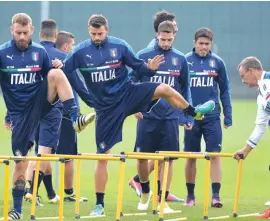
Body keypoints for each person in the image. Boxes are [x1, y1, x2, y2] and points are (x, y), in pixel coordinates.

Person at [64, 14, 215, 216]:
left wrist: (149, 68)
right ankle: (99, 205)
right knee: (103, 156)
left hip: (127, 94)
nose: (97, 37)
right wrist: (85, 95)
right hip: (105, 109)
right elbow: (66, 71)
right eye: (93, 34)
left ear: (107, 30)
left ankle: (193, 112)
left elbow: (138, 68)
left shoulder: (120, 46)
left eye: (100, 33)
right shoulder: (80, 51)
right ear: (88, 31)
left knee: (164, 89)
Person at [0, 13, 93, 220]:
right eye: (18, 33)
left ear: (32, 31)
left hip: (39, 104)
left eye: (25, 32)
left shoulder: (39, 52)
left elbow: (48, 77)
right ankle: (17, 209)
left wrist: (57, 67)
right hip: (20, 115)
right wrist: (8, 115)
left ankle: (75, 117)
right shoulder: (3, 53)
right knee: (20, 161)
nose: (22, 37)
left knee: (56, 74)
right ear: (11, 31)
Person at [131, 21, 193, 212]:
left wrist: (187, 115)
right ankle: (145, 191)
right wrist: (134, 107)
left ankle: (163, 200)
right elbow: (131, 82)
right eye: (162, 39)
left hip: (170, 118)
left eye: (169, 39)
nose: (166, 42)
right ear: (157, 35)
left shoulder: (180, 59)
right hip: (147, 116)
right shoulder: (143, 55)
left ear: (174, 36)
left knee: (168, 159)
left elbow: (185, 89)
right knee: (141, 158)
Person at [184, 27, 232, 207]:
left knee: (214, 155)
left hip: (212, 118)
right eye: (201, 43)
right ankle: (190, 196)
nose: (204, 47)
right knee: (191, 156)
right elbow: (179, 91)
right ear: (194, 43)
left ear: (211, 44)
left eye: (207, 44)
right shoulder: (185, 61)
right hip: (191, 117)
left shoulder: (217, 63)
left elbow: (225, 90)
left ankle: (216, 196)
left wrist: (228, 115)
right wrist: (184, 116)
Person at [23, 19, 66, 207]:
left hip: (29, 110)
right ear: (56, 36)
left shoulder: (32, 54)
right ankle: (30, 193)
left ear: (39, 34)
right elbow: (72, 84)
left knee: (36, 152)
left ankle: (48, 193)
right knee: (44, 153)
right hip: (52, 111)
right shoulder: (61, 57)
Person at [233, 57, 270, 218]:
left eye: (242, 76)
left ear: (252, 71)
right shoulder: (261, 94)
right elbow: (260, 125)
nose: (242, 81)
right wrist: (246, 150)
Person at [55, 31, 88, 202]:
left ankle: (34, 192)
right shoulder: (67, 62)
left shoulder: (47, 59)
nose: (73, 48)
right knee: (69, 156)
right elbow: (80, 86)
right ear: (67, 46)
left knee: (43, 152)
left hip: (47, 113)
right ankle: (69, 194)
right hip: (67, 113)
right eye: (73, 45)